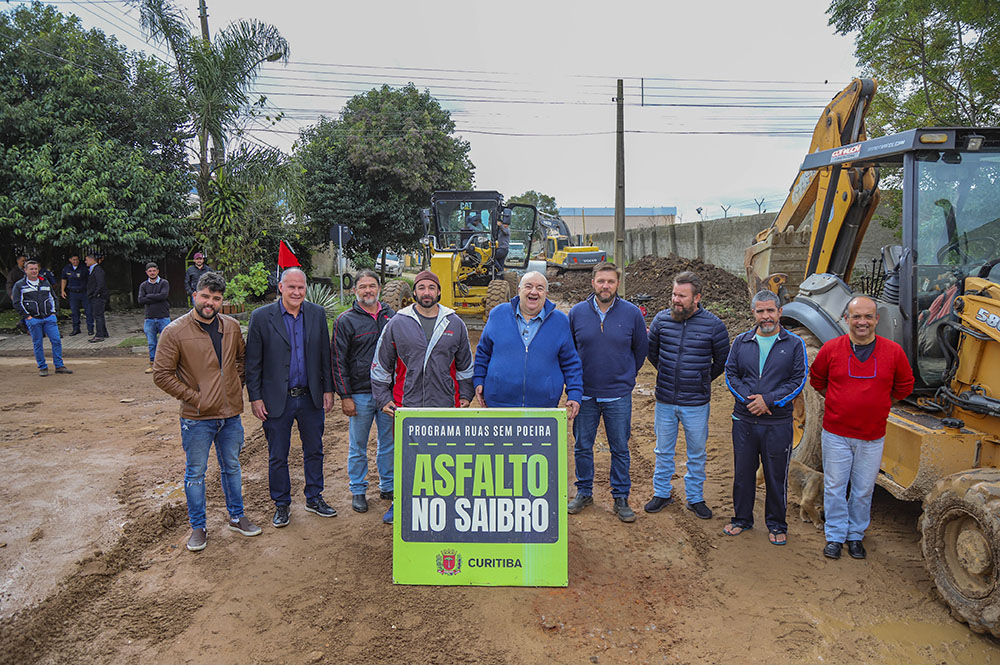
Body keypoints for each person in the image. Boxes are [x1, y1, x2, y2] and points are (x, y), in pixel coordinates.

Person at [152, 271, 261, 552]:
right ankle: (198, 527)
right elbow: (161, 374)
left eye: (216, 298)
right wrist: (196, 398)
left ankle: (237, 516)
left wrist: (233, 386)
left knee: (232, 467)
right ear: (195, 296)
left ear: (222, 301)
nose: (210, 302)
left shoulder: (231, 327)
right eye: (205, 296)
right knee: (196, 474)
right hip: (197, 418)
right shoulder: (175, 331)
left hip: (230, 416)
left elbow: (242, 359)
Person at [811, 295, 914, 560]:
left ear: (877, 319)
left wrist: (880, 404)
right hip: (836, 434)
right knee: (835, 486)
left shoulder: (893, 352)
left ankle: (855, 534)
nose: (862, 322)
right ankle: (835, 535)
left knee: (863, 489)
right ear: (846, 319)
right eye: (856, 316)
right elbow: (818, 380)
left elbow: (904, 387)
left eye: (868, 316)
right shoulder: (831, 349)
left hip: (872, 436)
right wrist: (839, 402)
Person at [371, 269, 475, 524]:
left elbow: (465, 366)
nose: (426, 293)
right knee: (406, 456)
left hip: (444, 403)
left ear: (438, 292)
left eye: (431, 288)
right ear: (415, 292)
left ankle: (445, 503)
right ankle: (401, 502)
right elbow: (381, 365)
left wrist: (466, 394)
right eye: (421, 288)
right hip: (407, 404)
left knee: (446, 456)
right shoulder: (398, 323)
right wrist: (382, 398)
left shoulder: (454, 323)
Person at [246, 267, 336, 529]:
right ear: (281, 288)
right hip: (277, 399)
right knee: (277, 455)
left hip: (310, 398)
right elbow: (253, 362)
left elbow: (325, 355)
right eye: (291, 287)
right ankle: (282, 503)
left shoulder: (317, 314)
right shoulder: (261, 317)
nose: (296, 292)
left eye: (301, 287)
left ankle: (314, 497)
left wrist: (328, 389)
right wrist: (255, 397)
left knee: (314, 450)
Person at [723, 290, 808, 544]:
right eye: (760, 311)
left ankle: (777, 524)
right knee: (743, 473)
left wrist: (768, 400)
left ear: (780, 312)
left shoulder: (794, 344)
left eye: (770, 310)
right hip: (744, 420)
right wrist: (750, 400)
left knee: (775, 475)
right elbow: (731, 374)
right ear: (753, 313)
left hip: (777, 423)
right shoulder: (741, 342)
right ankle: (741, 519)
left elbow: (798, 380)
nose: (766, 316)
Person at [567, 262, 648, 522]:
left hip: (618, 394)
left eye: (610, 281)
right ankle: (584, 492)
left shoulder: (632, 314)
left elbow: (640, 350)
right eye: (601, 281)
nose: (605, 286)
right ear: (593, 283)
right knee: (582, 446)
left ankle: (621, 497)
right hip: (585, 394)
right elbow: (569, 351)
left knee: (620, 448)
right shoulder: (577, 313)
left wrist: (625, 375)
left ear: (617, 284)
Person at [645, 270, 730, 519]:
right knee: (663, 451)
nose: (676, 300)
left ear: (697, 298)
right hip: (665, 400)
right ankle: (661, 493)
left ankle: (695, 498)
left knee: (697, 453)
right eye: (674, 294)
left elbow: (721, 361)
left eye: (682, 296)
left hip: (696, 403)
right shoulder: (661, 321)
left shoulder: (714, 326)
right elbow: (653, 353)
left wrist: (701, 379)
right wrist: (668, 374)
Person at [474, 270, 582, 414]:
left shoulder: (560, 321)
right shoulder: (498, 314)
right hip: (499, 404)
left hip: (544, 407)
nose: (534, 292)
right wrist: (479, 380)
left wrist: (574, 393)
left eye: (540, 288)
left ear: (546, 294)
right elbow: (483, 353)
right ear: (519, 290)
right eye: (528, 286)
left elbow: (570, 362)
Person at [332, 270, 395, 514]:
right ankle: (358, 489)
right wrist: (345, 396)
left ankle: (388, 486)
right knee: (358, 445)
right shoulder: (345, 320)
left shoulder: (392, 316)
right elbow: (338, 361)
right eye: (363, 287)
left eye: (372, 286)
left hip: (387, 393)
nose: (368, 290)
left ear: (379, 288)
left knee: (388, 443)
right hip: (360, 393)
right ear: (355, 290)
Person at [12, 260, 72, 377]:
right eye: (31, 269)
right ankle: (42, 367)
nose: (34, 271)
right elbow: (17, 303)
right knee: (38, 343)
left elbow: (52, 297)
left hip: (49, 318)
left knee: (56, 341)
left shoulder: (45, 282)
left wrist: (53, 313)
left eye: (36, 269)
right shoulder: (19, 285)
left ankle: (59, 366)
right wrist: (28, 317)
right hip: (33, 319)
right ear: (25, 270)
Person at [138, 262, 171, 374]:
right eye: (150, 271)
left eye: (154, 270)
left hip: (163, 317)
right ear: (146, 272)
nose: (152, 273)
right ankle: (153, 364)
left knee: (166, 343)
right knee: (152, 343)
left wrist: (149, 296)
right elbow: (141, 300)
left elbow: (163, 296)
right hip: (149, 318)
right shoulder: (143, 285)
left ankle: (167, 365)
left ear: (158, 271)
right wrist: (156, 297)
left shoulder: (164, 283)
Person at [61, 254, 92, 337]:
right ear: (70, 260)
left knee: (88, 311)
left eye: (77, 259)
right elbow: (64, 279)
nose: (75, 261)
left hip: (84, 292)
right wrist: (62, 290)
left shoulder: (84, 268)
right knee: (74, 312)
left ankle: (90, 329)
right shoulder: (67, 268)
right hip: (73, 293)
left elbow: (89, 279)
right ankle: (76, 329)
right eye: (74, 260)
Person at [85, 253, 109, 342]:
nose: (85, 262)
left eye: (87, 260)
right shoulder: (93, 270)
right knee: (99, 315)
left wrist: (95, 294)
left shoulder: (98, 270)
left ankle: (99, 335)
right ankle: (104, 332)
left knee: (98, 315)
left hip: (99, 297)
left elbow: (100, 284)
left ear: (92, 260)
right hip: (95, 296)